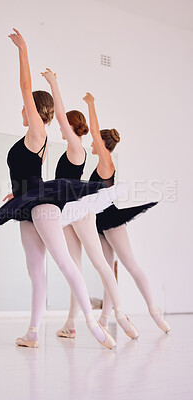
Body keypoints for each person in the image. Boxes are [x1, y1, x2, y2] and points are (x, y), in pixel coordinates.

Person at [0, 29, 123, 349]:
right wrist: (18, 192)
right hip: (28, 205)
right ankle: (34, 332)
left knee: (64, 262)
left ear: (35, 109)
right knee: (35, 270)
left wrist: (23, 49)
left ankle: (92, 323)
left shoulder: (37, 131)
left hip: (41, 205)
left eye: (26, 106)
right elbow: (26, 176)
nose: (22, 110)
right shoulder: (31, 139)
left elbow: (25, 87)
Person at [42, 68, 139, 340]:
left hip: (78, 210)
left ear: (73, 128)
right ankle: (71, 323)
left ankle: (120, 315)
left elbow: (60, 116)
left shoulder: (77, 148)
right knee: (74, 267)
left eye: (66, 126)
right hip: (67, 212)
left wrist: (53, 83)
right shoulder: (72, 149)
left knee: (100, 263)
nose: (62, 128)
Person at [83, 92, 170, 334]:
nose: (91, 145)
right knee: (108, 270)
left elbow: (94, 132)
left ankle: (155, 311)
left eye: (95, 142)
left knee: (131, 265)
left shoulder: (106, 162)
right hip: (99, 222)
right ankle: (104, 319)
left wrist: (91, 104)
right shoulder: (101, 164)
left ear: (101, 144)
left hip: (111, 219)